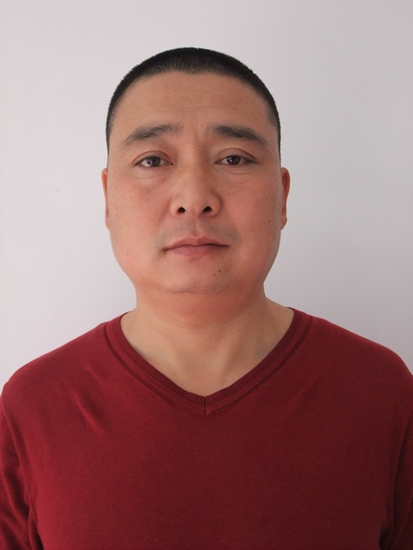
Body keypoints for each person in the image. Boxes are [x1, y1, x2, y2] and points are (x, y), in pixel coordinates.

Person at [0, 47, 412, 550]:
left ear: (282, 196)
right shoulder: (33, 406)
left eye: (234, 159)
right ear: (108, 198)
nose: (194, 198)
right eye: (153, 160)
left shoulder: (381, 392)